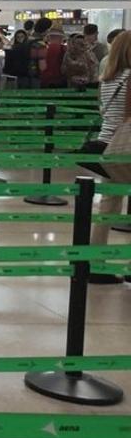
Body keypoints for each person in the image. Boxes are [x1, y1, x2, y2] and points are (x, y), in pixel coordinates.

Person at [90, 31, 131, 276]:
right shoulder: (130, 77)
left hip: (107, 144)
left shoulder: (107, 78)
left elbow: (105, 112)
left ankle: (96, 260)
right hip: (125, 145)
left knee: (108, 205)